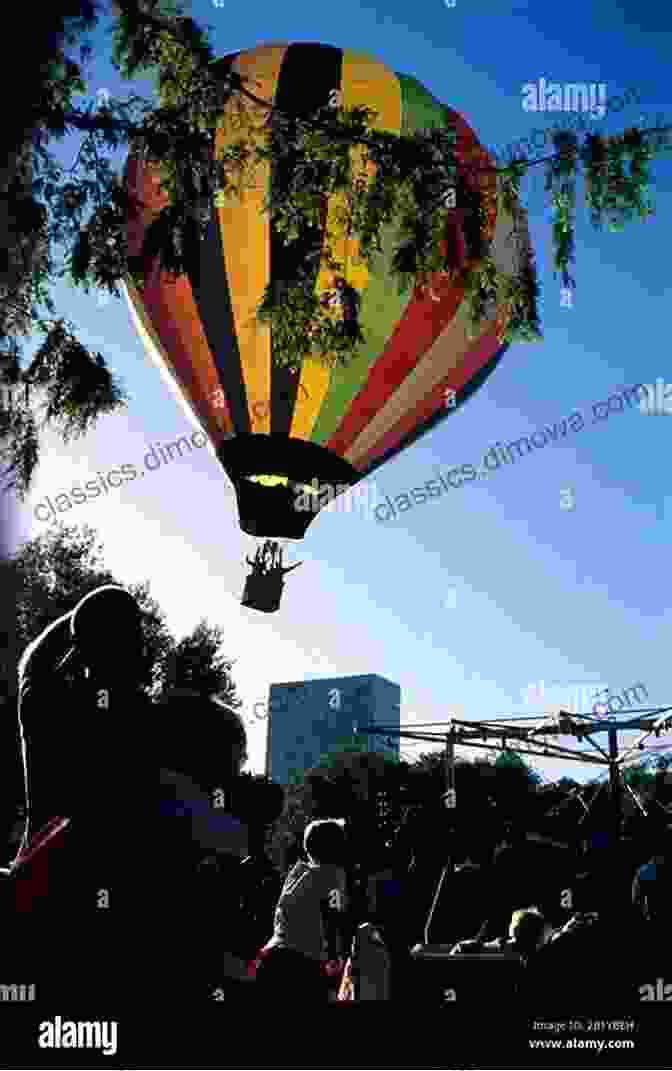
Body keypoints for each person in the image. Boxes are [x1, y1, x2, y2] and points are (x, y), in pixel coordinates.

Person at [251, 819, 352, 1002]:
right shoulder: (333, 875)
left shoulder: (297, 873)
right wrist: (334, 956)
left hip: (271, 955)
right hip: (302, 961)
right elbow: (333, 916)